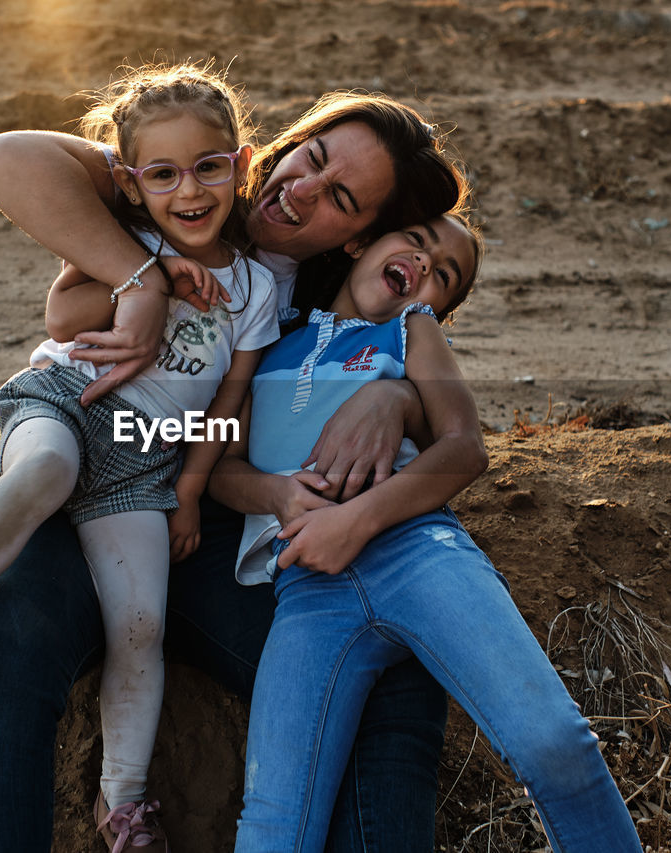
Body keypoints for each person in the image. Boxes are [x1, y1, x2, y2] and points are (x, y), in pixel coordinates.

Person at [0, 88, 470, 852]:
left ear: (361, 236)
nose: (301, 190)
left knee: (387, 675)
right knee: (1, 642)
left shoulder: (327, 293)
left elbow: (421, 338)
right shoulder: (186, 181)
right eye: (309, 157)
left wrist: (398, 399)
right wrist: (139, 277)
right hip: (85, 450)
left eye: (341, 198)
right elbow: (4, 156)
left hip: (214, 516)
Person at [0, 63, 281, 851]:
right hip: (63, 405)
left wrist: (190, 490)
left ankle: (122, 803)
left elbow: (231, 401)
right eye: (162, 174)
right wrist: (146, 280)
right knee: (44, 472)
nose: (188, 189)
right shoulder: (128, 241)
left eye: (209, 167)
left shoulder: (256, 288)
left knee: (142, 623)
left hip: (145, 464)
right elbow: (62, 310)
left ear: (242, 165)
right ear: (129, 181)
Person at [216, 214, 642, 853]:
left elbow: (465, 448)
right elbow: (223, 462)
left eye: (444, 275)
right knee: (274, 825)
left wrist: (353, 520)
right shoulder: (271, 340)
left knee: (551, 742)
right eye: (414, 241)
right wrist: (277, 493)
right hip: (307, 593)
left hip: (420, 555)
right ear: (359, 242)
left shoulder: (409, 331)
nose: (423, 264)